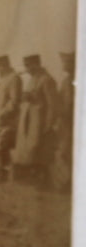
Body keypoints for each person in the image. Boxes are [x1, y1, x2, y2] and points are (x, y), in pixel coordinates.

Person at [12, 54, 58, 186]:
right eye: (26, 66)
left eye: (29, 66)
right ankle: (33, 176)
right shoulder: (32, 80)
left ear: (36, 64)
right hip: (28, 120)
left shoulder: (47, 80)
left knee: (38, 148)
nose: (27, 69)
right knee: (28, 149)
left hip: (39, 121)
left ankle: (43, 179)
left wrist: (49, 124)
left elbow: (52, 105)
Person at [51, 52, 75, 190]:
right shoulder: (65, 81)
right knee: (64, 151)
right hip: (65, 122)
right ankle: (65, 182)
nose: (64, 65)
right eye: (64, 62)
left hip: (73, 123)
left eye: (67, 62)